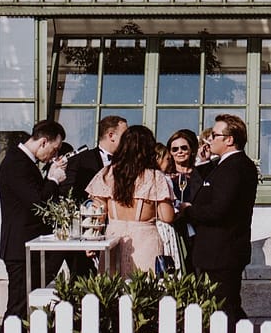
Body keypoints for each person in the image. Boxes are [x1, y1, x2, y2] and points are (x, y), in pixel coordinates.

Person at [180, 114, 259, 322]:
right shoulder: (226, 165)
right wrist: (205, 162)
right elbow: (209, 185)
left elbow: (219, 209)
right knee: (223, 306)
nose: (209, 140)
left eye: (214, 135)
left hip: (222, 250)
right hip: (218, 250)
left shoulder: (234, 167)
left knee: (225, 307)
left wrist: (188, 211)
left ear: (229, 139)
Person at [0, 119, 68, 320]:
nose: (54, 154)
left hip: (28, 245)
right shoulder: (17, 163)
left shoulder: (22, 161)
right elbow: (37, 203)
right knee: (18, 307)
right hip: (20, 247)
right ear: (43, 142)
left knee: (26, 306)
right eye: (54, 149)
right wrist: (53, 179)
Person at [87, 124, 174, 275]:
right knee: (144, 286)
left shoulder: (107, 173)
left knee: (112, 286)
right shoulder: (155, 177)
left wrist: (91, 242)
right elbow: (167, 217)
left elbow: (97, 214)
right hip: (146, 241)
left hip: (113, 239)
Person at [66, 116, 128, 201]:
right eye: (125, 136)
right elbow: (69, 193)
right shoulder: (80, 160)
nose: (129, 140)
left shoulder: (128, 162)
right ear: (111, 136)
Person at [166, 129, 200, 205]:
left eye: (184, 148)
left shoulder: (200, 174)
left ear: (191, 150)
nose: (179, 151)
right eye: (175, 149)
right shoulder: (166, 175)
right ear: (170, 152)